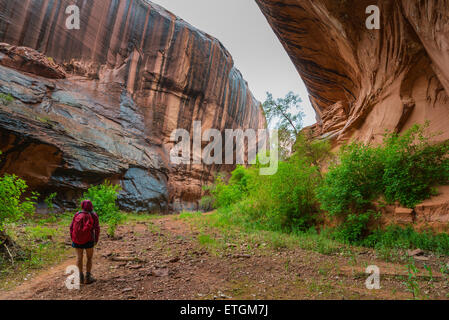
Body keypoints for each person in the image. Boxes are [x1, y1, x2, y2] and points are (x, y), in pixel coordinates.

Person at [70, 200, 100, 285]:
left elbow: (71, 227)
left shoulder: (77, 214)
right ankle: (88, 277)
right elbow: (97, 228)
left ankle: (80, 277)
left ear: (82, 206)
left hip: (77, 240)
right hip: (89, 240)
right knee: (89, 258)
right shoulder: (93, 215)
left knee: (79, 258)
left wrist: (73, 238)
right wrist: (96, 239)